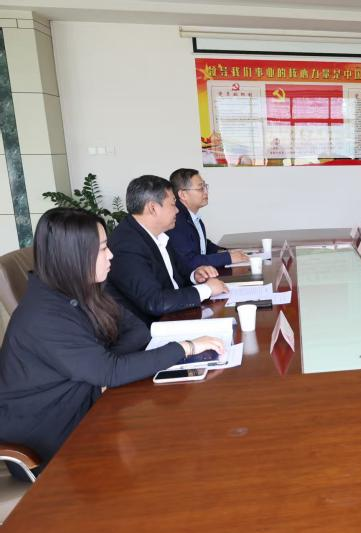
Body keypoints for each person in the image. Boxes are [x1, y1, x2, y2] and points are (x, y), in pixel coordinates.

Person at [0, 208, 225, 478]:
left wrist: (104, 364)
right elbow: (110, 371)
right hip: (47, 445)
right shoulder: (44, 316)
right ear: (74, 255)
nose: (111, 256)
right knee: (168, 458)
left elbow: (137, 332)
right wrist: (186, 347)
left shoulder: (85, 289)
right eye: (102, 249)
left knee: (180, 429)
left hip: (87, 409)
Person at [107, 175, 228, 324]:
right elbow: (155, 301)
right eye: (172, 204)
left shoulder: (158, 234)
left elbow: (177, 272)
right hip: (153, 329)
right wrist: (206, 290)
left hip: (177, 315)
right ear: (153, 208)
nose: (177, 210)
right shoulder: (126, 245)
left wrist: (195, 275)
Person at [166, 168, 248, 270]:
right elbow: (189, 261)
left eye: (205, 186)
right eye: (200, 188)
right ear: (183, 195)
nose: (206, 192)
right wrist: (228, 257)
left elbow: (202, 244)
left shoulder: (191, 216)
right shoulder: (176, 221)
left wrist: (225, 252)